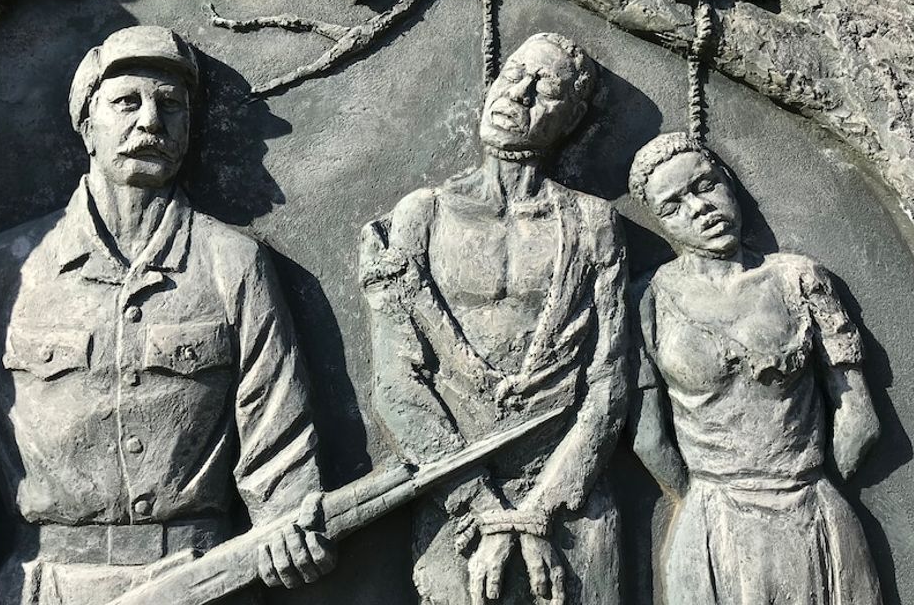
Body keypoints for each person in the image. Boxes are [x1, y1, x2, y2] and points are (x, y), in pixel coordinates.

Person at [0, 26, 334, 605]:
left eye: (171, 105)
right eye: (127, 102)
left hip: (204, 583)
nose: (151, 121)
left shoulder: (233, 264)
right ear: (87, 124)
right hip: (49, 590)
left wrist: (292, 532)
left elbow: (282, 457)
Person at [360, 32, 627, 605]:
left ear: (573, 117)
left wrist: (539, 512)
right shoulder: (421, 214)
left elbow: (608, 382)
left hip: (569, 502)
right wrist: (483, 510)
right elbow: (397, 382)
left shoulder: (593, 222)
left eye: (544, 87)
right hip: (453, 500)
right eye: (513, 74)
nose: (518, 93)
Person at [627, 131, 883, 605]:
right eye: (673, 206)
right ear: (660, 223)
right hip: (709, 524)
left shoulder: (799, 278)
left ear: (728, 181)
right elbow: (648, 438)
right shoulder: (647, 299)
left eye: (704, 186)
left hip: (811, 513)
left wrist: (801, 487)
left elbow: (858, 417)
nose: (699, 209)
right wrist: (709, 494)